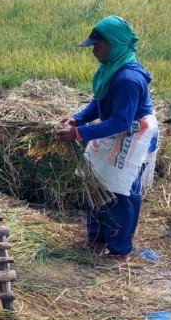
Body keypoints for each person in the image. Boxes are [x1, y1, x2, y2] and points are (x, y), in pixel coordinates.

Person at [56, 16, 159, 262]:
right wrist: (77, 119)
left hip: (134, 134)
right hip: (111, 129)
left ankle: (119, 250)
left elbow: (122, 121)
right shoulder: (109, 69)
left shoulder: (128, 79)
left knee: (121, 192)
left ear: (114, 44)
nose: (93, 51)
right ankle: (98, 238)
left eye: (97, 45)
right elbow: (99, 102)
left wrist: (78, 134)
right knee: (95, 182)